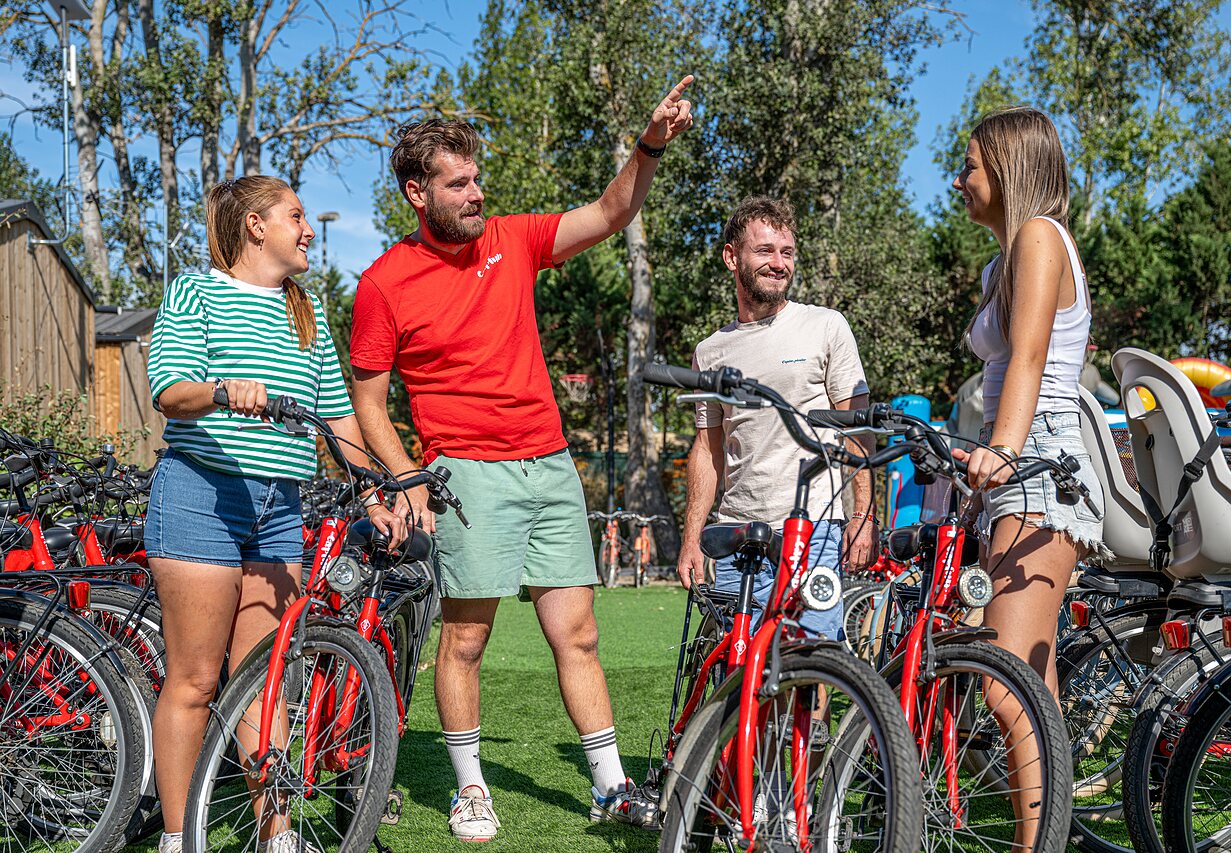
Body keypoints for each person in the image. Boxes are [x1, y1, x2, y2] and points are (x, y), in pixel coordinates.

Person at [348, 77, 695, 841]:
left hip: (549, 465)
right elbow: (368, 402)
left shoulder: (514, 238)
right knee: (465, 639)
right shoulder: (383, 284)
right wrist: (408, 479)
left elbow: (610, 212)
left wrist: (650, 144)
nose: (477, 192)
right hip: (465, 474)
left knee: (579, 635)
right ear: (417, 192)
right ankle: (471, 787)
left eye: (478, 178)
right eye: (459, 182)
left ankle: (610, 786)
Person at [145, 176, 407, 853]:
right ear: (256, 225)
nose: (310, 228)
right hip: (203, 493)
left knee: (261, 675)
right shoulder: (195, 293)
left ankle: (278, 831)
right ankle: (180, 836)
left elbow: (339, 413)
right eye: (297, 216)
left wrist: (374, 491)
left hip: (278, 504)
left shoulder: (306, 309)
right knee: (196, 679)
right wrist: (224, 391)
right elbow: (170, 390)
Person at [950, 106, 1106, 850]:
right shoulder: (1002, 259)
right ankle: (1042, 838)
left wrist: (1003, 447)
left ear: (1007, 170)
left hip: (1040, 466)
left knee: (1004, 684)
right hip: (1013, 468)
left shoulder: (1040, 237)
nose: (959, 179)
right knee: (1022, 686)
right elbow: (1008, 365)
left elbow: (1036, 359)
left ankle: (1036, 845)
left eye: (970, 165)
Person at [677, 195, 877, 641]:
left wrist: (862, 514)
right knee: (738, 661)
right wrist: (692, 537)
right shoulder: (711, 352)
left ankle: (814, 718)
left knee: (812, 654)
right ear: (732, 257)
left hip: (813, 526)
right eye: (765, 251)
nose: (778, 263)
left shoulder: (826, 326)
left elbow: (856, 429)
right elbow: (708, 450)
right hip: (736, 534)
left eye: (787, 252)